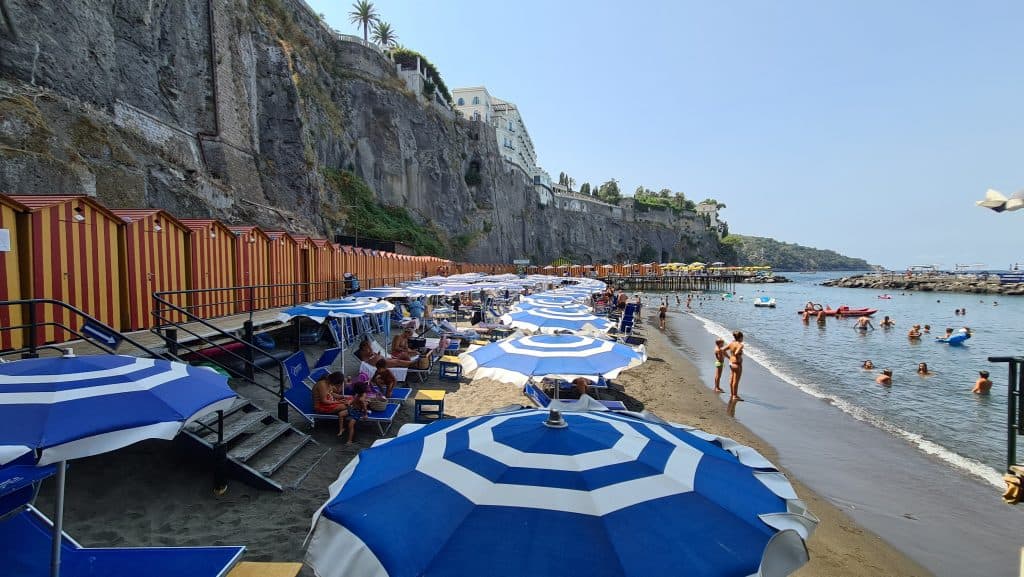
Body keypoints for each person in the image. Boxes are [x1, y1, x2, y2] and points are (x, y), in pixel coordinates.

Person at [312, 372, 349, 436]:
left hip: (330, 402)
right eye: (337, 384)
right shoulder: (322, 385)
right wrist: (339, 402)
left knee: (350, 399)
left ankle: (345, 412)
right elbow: (324, 401)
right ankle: (344, 413)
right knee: (346, 405)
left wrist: (343, 397)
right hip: (321, 406)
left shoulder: (328, 382)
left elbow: (331, 394)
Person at [342, 377, 370, 444]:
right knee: (341, 414)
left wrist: (365, 414)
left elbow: (364, 407)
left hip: (357, 412)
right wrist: (349, 402)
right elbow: (354, 400)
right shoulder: (358, 395)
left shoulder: (361, 399)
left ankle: (350, 440)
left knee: (350, 425)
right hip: (353, 409)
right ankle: (342, 428)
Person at [725, 331, 745, 401]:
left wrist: (729, 357)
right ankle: (735, 396)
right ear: (740, 338)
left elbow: (723, 350)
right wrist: (738, 354)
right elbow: (736, 352)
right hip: (737, 364)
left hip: (731, 363)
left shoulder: (731, 343)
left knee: (732, 379)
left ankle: (732, 393)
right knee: (736, 381)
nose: (743, 339)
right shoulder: (740, 345)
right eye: (742, 337)